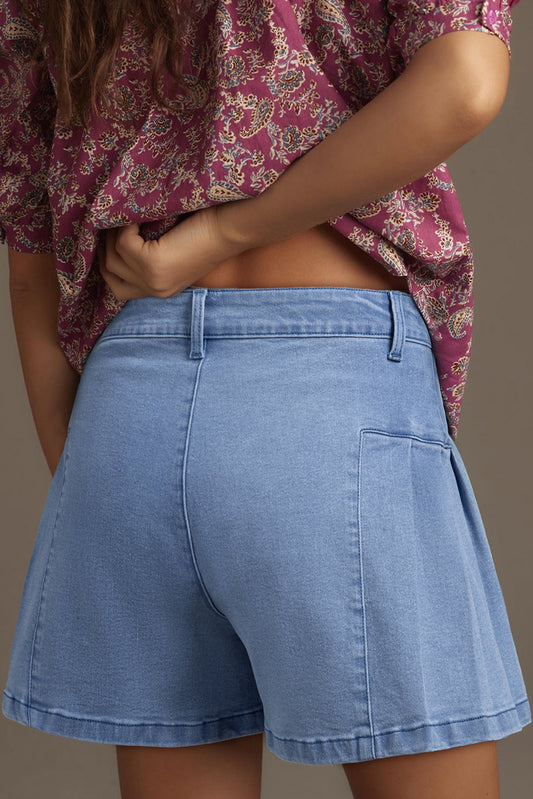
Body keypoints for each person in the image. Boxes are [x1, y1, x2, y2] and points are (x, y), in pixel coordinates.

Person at [1, 1, 530, 797]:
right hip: (329, 395)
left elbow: (29, 243)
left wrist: (77, 465)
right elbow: (463, 82)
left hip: (126, 413)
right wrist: (224, 233)